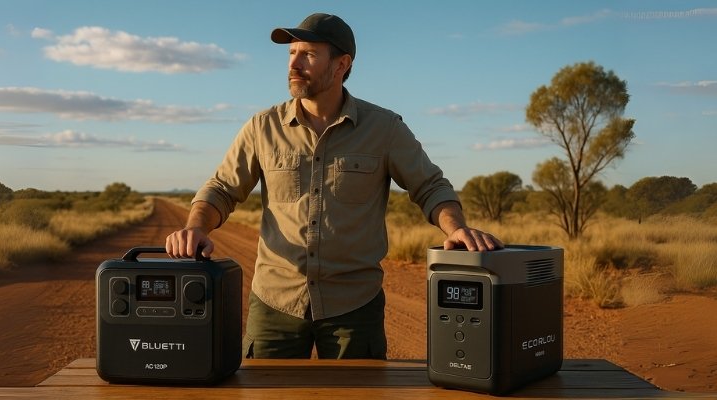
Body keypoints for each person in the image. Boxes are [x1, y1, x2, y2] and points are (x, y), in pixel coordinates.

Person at [166, 12, 502, 359]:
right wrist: (195, 228)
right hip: (275, 303)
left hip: (354, 308)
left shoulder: (384, 129)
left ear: (342, 64)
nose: (294, 64)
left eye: (308, 54)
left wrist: (456, 227)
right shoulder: (262, 127)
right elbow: (222, 188)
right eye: (291, 53)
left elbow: (430, 186)